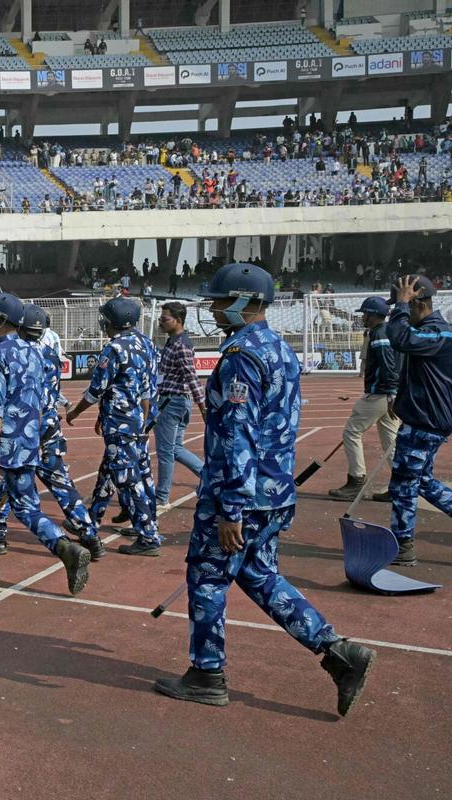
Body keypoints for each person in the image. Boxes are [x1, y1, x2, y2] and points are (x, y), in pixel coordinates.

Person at [155, 263, 376, 717]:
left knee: (208, 576)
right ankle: (338, 651)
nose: (213, 309)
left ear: (243, 301)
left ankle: (207, 674)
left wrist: (230, 507)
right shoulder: (277, 348)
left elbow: (237, 435)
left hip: (241, 493)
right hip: (275, 491)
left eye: (219, 301)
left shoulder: (241, 356)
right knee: (259, 575)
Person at [0, 293, 91, 595]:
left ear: (2, 319)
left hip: (2, 445)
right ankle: (65, 548)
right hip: (28, 443)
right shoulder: (35, 353)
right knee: (27, 507)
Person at [66, 297, 161, 557]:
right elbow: (147, 387)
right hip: (140, 420)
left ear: (110, 322)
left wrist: (75, 411)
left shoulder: (114, 349)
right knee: (118, 471)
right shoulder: (147, 343)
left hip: (121, 423)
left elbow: (97, 389)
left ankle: (148, 535)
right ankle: (90, 522)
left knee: (128, 479)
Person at [15, 304, 100, 554]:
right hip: (50, 428)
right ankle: (89, 534)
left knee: (4, 484)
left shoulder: (15, 356)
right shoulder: (51, 356)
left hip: (24, 430)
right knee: (61, 483)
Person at [383, 275, 452, 566]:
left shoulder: (437, 334)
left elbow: (399, 338)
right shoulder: (429, 332)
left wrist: (400, 304)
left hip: (425, 423)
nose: (401, 312)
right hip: (427, 419)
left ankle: (402, 545)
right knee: (422, 481)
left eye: (407, 306)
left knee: (403, 484)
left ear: (418, 303)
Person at [329, 296, 399, 500]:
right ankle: (400, 485)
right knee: (391, 442)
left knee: (351, 433)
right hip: (389, 395)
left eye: (365, 313)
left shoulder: (379, 334)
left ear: (373, 315)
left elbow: (387, 364)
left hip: (379, 394)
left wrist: (391, 391)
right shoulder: (388, 332)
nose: (363, 317)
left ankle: (356, 481)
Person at [153, 301, 205, 510]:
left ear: (178, 320)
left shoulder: (181, 345)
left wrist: (203, 406)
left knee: (166, 452)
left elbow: (191, 377)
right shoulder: (173, 341)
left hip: (172, 401)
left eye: (165, 319)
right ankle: (211, 479)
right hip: (176, 401)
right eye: (161, 319)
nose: (161, 322)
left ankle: (161, 498)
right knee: (175, 449)